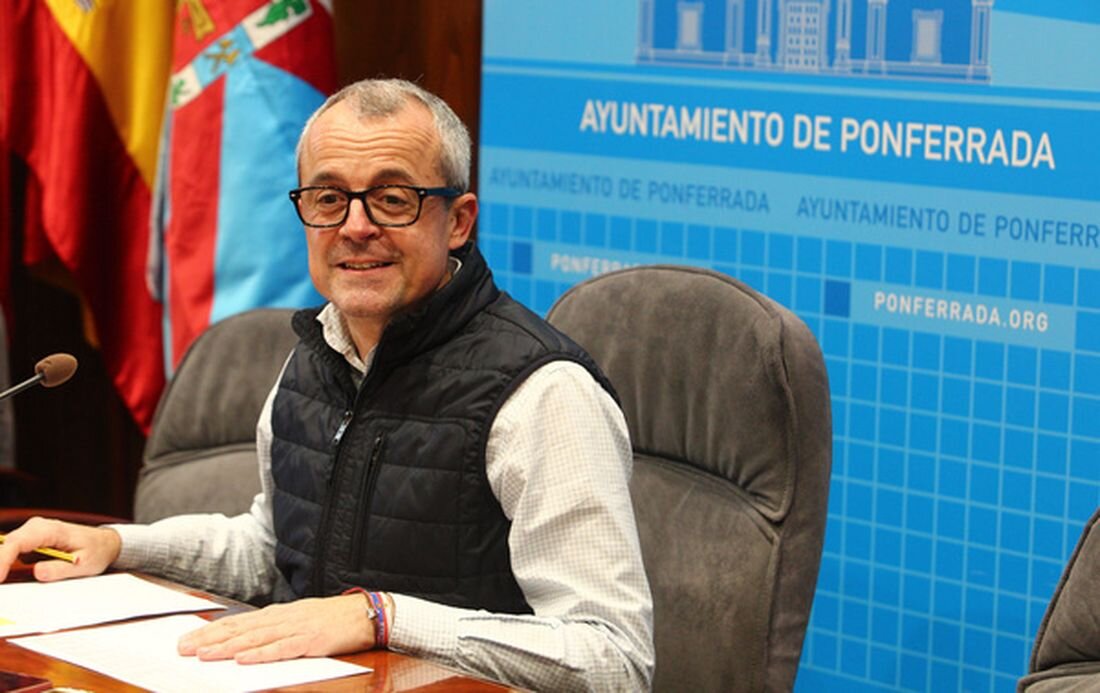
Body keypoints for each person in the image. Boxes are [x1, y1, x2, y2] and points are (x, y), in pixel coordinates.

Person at [0, 78, 654, 691]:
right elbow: (274, 548)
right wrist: (118, 543)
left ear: (458, 220)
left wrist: (383, 617)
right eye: (328, 197)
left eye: (394, 198)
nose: (356, 226)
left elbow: (612, 655)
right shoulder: (317, 353)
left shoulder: (543, 392)